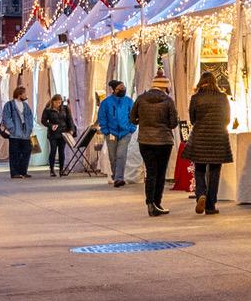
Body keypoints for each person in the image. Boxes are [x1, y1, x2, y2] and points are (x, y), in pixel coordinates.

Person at [132, 74, 180, 216]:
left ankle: (150, 203)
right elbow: (173, 123)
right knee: (160, 173)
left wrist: (143, 122)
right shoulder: (168, 101)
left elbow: (132, 118)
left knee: (150, 172)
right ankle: (157, 203)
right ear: (165, 87)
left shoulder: (141, 99)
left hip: (145, 140)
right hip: (164, 141)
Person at [186, 71, 232, 214]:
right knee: (214, 172)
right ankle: (210, 205)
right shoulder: (222, 97)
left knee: (199, 169)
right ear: (214, 82)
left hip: (200, 137)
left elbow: (192, 119)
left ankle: (201, 194)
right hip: (218, 137)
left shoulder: (196, 98)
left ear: (201, 82)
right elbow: (227, 119)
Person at [97, 80, 136, 186]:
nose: (123, 90)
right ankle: (116, 176)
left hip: (125, 132)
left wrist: (132, 128)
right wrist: (106, 130)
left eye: (124, 87)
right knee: (113, 156)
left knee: (121, 155)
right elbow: (102, 117)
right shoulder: (106, 103)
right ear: (114, 90)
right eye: (120, 88)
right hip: (111, 133)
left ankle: (119, 178)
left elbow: (133, 115)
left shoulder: (129, 101)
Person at [0, 86, 36, 179]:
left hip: (25, 133)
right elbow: (6, 117)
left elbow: (30, 117)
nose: (26, 95)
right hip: (14, 134)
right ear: (19, 94)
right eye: (24, 93)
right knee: (14, 153)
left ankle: (23, 171)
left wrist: (30, 128)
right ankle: (15, 172)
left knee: (27, 151)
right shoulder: (9, 105)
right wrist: (12, 128)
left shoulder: (26, 105)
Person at [40, 93, 75, 177]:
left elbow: (70, 120)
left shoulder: (65, 108)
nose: (58, 104)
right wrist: (51, 125)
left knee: (61, 151)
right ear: (53, 101)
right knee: (53, 150)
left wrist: (71, 129)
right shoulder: (48, 109)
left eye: (60, 102)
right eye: (56, 102)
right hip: (53, 134)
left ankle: (61, 170)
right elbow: (43, 121)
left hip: (63, 133)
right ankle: (52, 170)